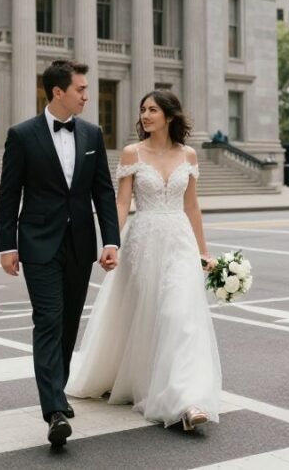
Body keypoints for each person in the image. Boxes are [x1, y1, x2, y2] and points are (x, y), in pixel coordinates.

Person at [66, 89, 221, 431]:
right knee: (147, 315)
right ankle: (145, 379)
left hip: (179, 241)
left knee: (180, 315)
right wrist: (111, 242)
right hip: (144, 241)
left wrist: (203, 251)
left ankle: (188, 400)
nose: (146, 115)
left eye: (152, 109)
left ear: (169, 115)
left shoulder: (189, 156)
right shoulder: (132, 153)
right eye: (143, 110)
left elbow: (191, 206)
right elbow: (122, 204)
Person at [0, 59, 120, 448]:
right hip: (38, 244)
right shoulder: (22, 135)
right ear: (58, 92)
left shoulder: (92, 134)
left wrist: (111, 240)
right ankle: (53, 409)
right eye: (81, 89)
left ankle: (58, 391)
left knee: (68, 323)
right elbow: (8, 193)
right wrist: (8, 245)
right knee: (48, 320)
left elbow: (102, 191)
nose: (87, 95)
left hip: (80, 244)